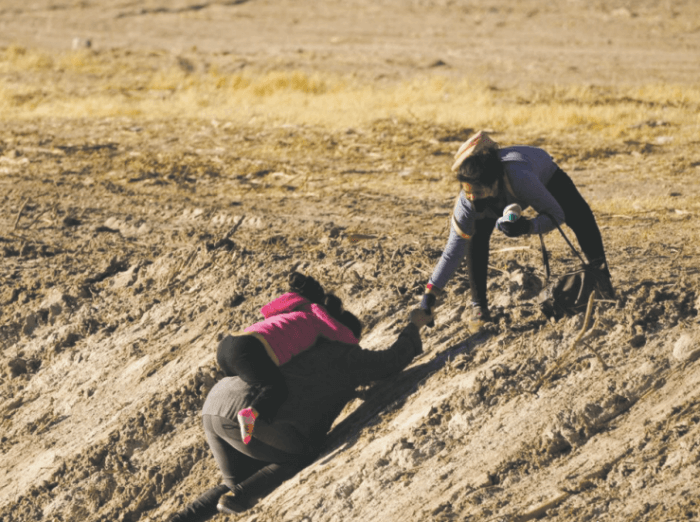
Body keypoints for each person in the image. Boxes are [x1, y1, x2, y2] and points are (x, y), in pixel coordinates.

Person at [169, 309, 433, 522]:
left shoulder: (297, 341)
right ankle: (238, 497)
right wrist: (414, 326)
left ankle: (181, 519)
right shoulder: (344, 354)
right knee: (302, 452)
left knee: (236, 478)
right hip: (246, 410)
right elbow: (390, 362)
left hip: (216, 401)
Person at [418, 130, 614, 332]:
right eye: (469, 193)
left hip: (543, 173)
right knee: (474, 236)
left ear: (494, 183)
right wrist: (431, 293)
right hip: (504, 196)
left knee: (580, 216)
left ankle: (603, 280)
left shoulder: (520, 178)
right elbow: (453, 250)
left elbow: (557, 214)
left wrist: (529, 227)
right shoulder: (467, 202)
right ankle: (479, 308)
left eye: (479, 192)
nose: (474, 198)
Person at [216, 272, 361, 445]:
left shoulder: (293, 309)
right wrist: (355, 345)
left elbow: (276, 305)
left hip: (227, 344)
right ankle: (250, 414)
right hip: (248, 350)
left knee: (245, 385)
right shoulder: (320, 317)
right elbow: (344, 337)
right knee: (276, 388)